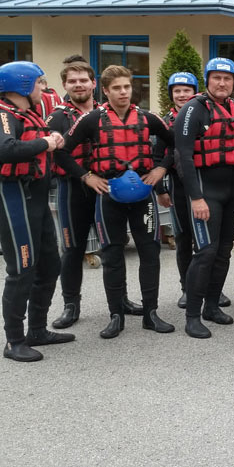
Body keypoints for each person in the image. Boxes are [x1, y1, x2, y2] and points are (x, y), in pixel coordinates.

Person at [56, 65, 175, 338]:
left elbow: (175, 143)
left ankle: (151, 313)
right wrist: (86, 176)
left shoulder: (148, 118)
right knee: (111, 255)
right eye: (117, 88)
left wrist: (160, 169)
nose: (123, 92)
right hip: (109, 196)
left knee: (149, 252)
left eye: (127, 87)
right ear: (105, 91)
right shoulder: (92, 120)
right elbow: (61, 152)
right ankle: (115, 315)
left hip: (142, 197)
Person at [0, 61, 70, 361]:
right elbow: (6, 149)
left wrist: (50, 141)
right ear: (23, 84)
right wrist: (47, 141)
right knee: (22, 269)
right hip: (13, 193)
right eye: (40, 82)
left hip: (36, 194)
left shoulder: (24, 112)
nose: (44, 88)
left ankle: (37, 330)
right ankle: (14, 340)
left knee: (51, 264)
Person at [48, 61, 137, 330]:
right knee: (73, 249)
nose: (79, 85)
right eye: (73, 81)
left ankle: (121, 299)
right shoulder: (57, 117)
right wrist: (85, 176)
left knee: (114, 245)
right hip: (74, 188)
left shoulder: (106, 112)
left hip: (108, 189)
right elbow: (57, 153)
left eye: (84, 80)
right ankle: (71, 305)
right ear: (65, 85)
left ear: (94, 83)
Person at [174, 57, 234, 339]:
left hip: (233, 191)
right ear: (207, 80)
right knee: (205, 252)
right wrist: (196, 198)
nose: (222, 83)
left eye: (227, 78)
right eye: (216, 77)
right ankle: (192, 315)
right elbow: (183, 155)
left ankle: (212, 305)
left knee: (223, 251)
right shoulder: (192, 110)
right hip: (206, 192)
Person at [158, 71, 200, 310]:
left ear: (195, 92)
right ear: (171, 94)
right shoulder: (165, 121)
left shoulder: (205, 114)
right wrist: (160, 189)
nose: (182, 95)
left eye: (187, 90)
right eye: (177, 91)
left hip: (203, 184)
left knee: (207, 241)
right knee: (184, 238)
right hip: (177, 185)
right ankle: (187, 288)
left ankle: (211, 287)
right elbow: (159, 157)